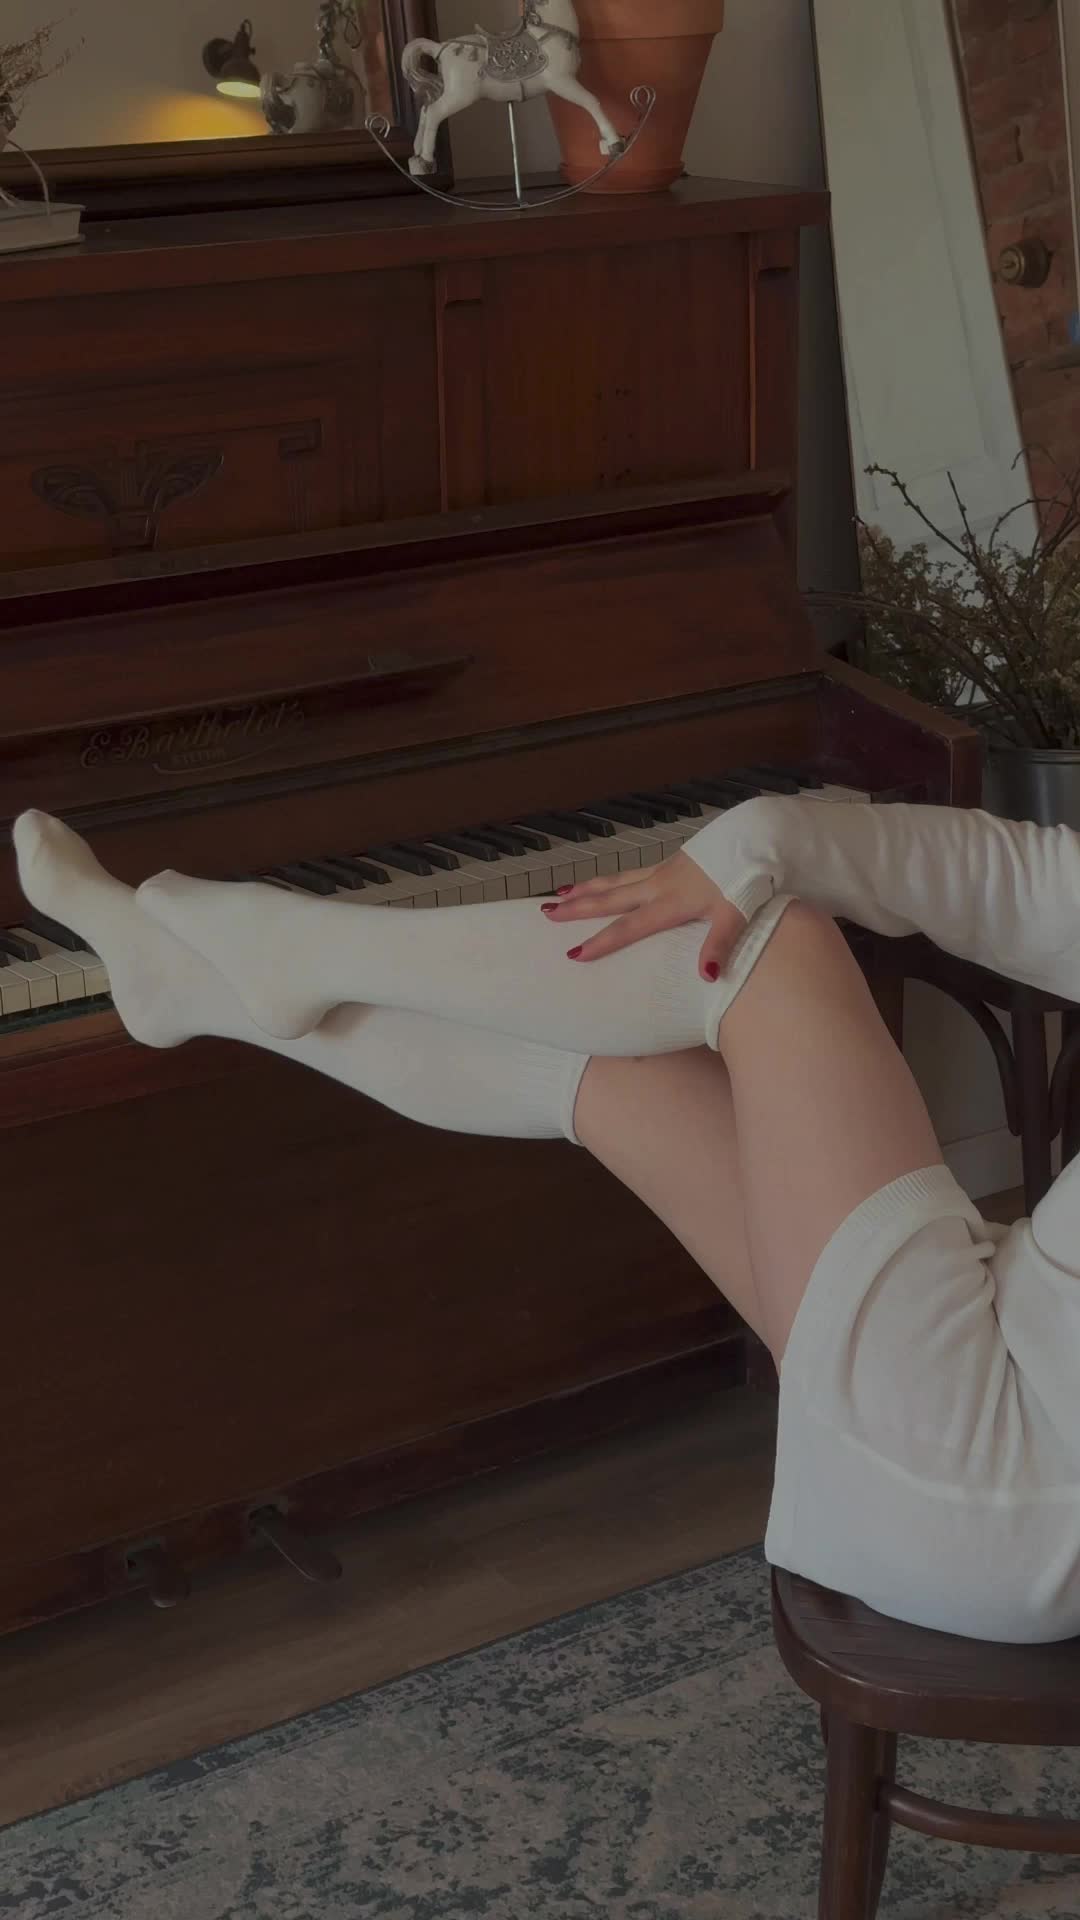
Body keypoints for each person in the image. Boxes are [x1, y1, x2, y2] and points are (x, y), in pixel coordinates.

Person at [14, 795, 1080, 1645]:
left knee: (770, 946)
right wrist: (762, 836)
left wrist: (762, 857)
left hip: (1002, 1477)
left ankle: (298, 949)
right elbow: (1016, 884)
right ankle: (197, 984)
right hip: (1014, 1367)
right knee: (622, 1066)